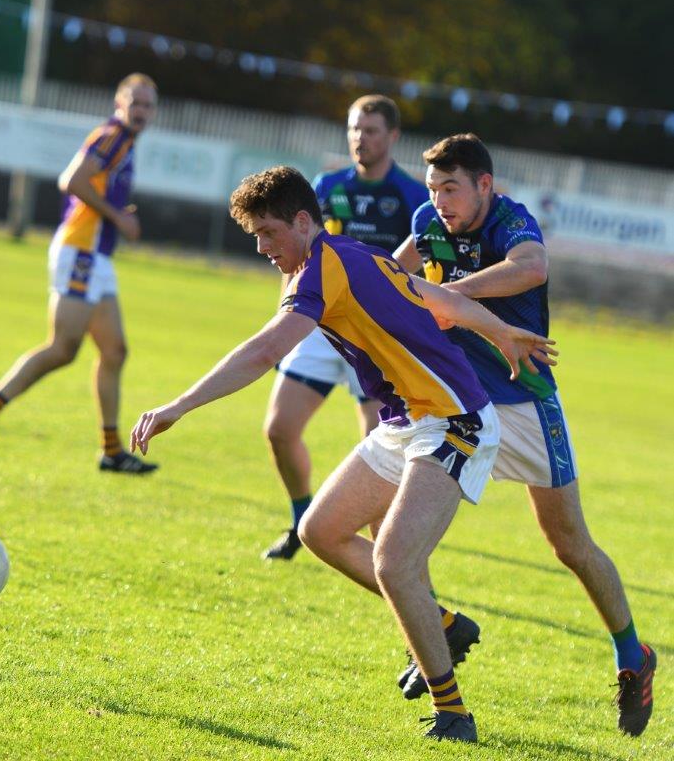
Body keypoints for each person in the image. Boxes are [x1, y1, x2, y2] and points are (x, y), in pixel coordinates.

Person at [130, 166, 556, 742]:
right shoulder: (344, 256)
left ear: (303, 222)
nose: (261, 248)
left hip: (455, 420)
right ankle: (445, 626)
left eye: (268, 233)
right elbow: (430, 294)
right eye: (253, 237)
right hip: (405, 421)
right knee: (319, 530)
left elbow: (263, 352)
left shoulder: (325, 268)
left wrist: (179, 406)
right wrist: (499, 332)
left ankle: (453, 713)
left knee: (394, 562)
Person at [377, 133, 653, 736]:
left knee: (569, 543)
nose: (440, 201)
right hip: (451, 403)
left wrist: (450, 295)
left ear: (484, 185)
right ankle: (431, 637)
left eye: (452, 188)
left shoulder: (511, 220)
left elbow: (532, 268)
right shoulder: (427, 222)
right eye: (432, 189)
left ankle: (633, 654)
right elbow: (389, 279)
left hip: (523, 399)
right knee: (388, 517)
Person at [0, 73, 159, 474]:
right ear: (119, 103)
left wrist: (118, 218)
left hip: (96, 258)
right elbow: (72, 181)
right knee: (63, 347)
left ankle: (111, 450)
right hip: (81, 253)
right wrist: (119, 217)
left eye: (148, 105)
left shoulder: (127, 142)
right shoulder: (112, 135)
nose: (140, 111)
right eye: (134, 102)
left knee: (115, 351)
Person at [262, 95, 429, 560]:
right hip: (316, 325)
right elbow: (295, 256)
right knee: (279, 428)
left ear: (393, 137)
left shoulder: (412, 197)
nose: (361, 138)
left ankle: (389, 558)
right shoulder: (328, 186)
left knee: (375, 447)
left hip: (372, 336)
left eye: (371, 130)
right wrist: (284, 311)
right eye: (355, 129)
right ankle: (301, 519)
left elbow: (418, 271)